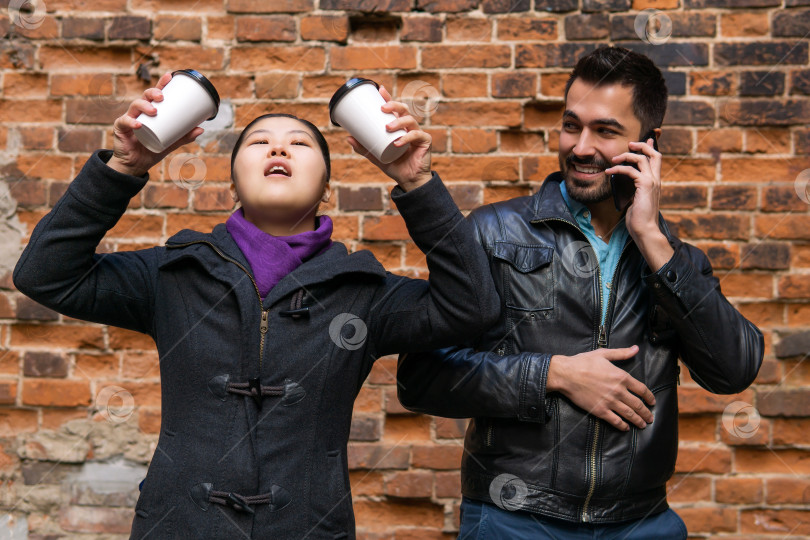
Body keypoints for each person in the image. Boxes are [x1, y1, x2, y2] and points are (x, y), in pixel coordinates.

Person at [12, 72, 499, 539]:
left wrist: (418, 183)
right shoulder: (173, 275)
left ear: (327, 189)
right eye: (259, 141)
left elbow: (473, 307)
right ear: (232, 185)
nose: (280, 148)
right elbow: (44, 275)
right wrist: (124, 167)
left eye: (301, 143)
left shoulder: (363, 292)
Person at [397, 46, 764, 539]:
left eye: (606, 131)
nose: (581, 146)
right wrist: (553, 374)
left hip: (642, 523)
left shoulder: (674, 259)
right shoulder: (492, 232)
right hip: (515, 519)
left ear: (648, 145)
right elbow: (421, 376)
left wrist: (652, 240)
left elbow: (734, 369)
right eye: (572, 125)